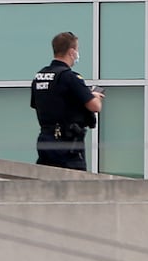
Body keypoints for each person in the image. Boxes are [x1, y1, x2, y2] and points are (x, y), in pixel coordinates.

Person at [30, 31, 102, 171]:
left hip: (45, 140)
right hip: (68, 144)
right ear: (71, 52)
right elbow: (95, 106)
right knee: (75, 187)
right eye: (77, 49)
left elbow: (38, 104)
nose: (77, 53)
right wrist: (96, 97)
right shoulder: (70, 77)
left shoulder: (40, 76)